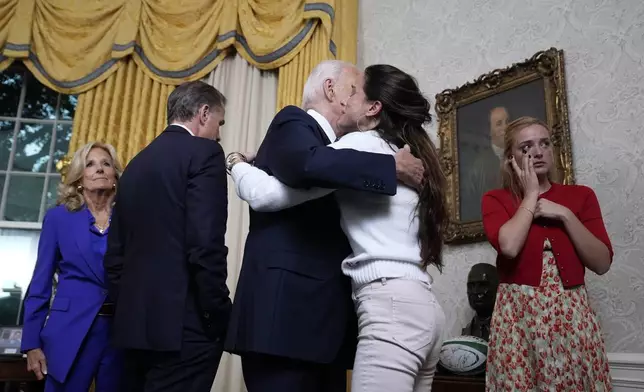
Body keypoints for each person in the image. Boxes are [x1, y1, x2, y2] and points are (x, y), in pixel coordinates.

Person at [226, 63, 445, 392]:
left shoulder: (361, 147)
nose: (353, 98)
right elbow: (307, 164)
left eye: (359, 92)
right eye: (352, 89)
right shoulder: (300, 123)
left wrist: (236, 163)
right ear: (331, 90)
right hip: (409, 308)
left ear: (374, 108)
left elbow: (265, 193)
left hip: (376, 312)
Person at [104, 81, 230, 392]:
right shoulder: (205, 152)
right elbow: (205, 245)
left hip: (134, 329)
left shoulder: (135, 165)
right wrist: (219, 314)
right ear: (203, 113)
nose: (219, 132)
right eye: (219, 122)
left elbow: (115, 256)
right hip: (185, 329)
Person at [481, 116, 613, 390]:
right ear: (510, 158)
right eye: (526, 147)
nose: (538, 152)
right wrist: (531, 196)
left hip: (570, 316)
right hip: (517, 319)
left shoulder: (582, 196)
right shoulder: (496, 199)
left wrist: (564, 214)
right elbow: (509, 246)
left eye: (544, 143)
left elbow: (601, 263)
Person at [21, 142, 123, 392]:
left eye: (106, 164)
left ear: (115, 177)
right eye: (90, 164)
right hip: (70, 332)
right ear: (79, 177)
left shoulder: (130, 217)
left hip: (122, 333)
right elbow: (40, 282)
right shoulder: (58, 218)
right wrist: (31, 342)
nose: (99, 169)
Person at [461, 263, 499, 341]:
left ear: (497, 288)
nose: (475, 292)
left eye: (483, 286)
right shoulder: (466, 332)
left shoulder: (509, 330)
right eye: (471, 286)